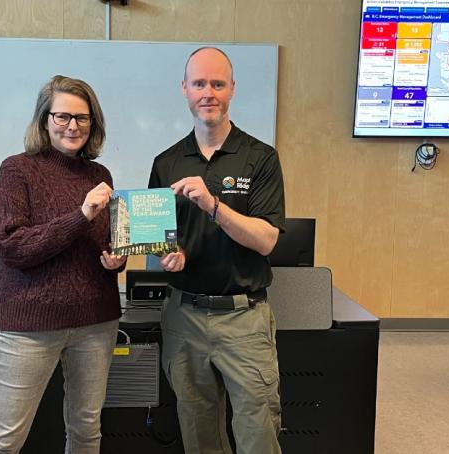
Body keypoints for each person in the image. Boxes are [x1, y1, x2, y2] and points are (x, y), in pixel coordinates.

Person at [0, 75, 127, 454]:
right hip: (31, 325)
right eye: (62, 116)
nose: (73, 126)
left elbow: (99, 243)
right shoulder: (16, 170)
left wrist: (116, 259)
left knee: (87, 429)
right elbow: (13, 247)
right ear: (44, 120)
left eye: (82, 118)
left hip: (95, 321)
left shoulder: (99, 175)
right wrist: (81, 214)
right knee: (5, 436)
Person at [148, 47, 286, 454]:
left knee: (258, 435)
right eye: (199, 84)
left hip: (243, 319)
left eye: (217, 84)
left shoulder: (260, 158)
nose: (208, 93)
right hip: (184, 317)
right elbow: (159, 243)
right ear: (185, 90)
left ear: (232, 90)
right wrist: (170, 257)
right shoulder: (166, 162)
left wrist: (213, 205)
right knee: (199, 436)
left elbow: (266, 240)